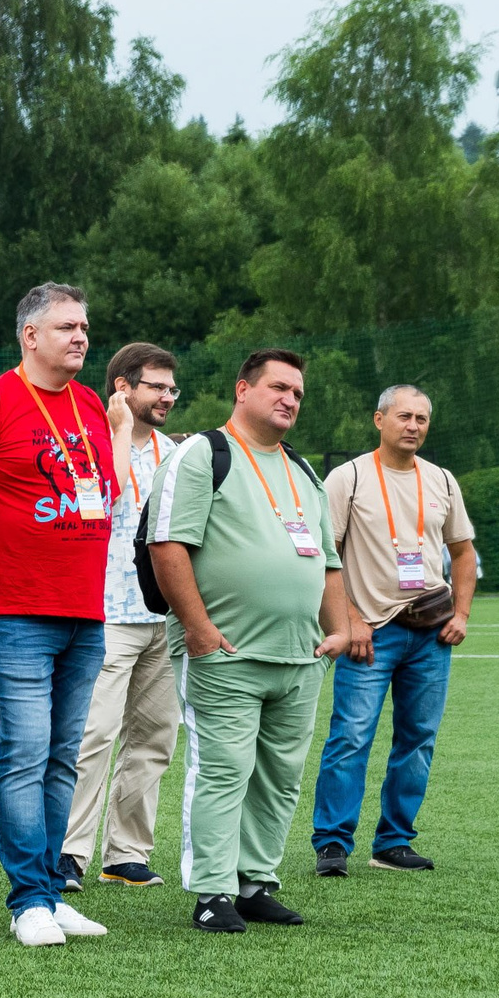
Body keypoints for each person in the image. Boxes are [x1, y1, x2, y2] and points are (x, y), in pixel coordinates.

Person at [0, 283, 120, 948]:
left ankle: (49, 888)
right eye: (67, 325)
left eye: (85, 326)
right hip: (14, 611)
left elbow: (104, 496)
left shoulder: (92, 404)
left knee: (64, 757)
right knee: (26, 753)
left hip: (84, 611)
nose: (81, 336)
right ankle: (28, 901)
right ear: (29, 335)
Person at [147, 350, 349, 932]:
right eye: (279, 387)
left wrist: (337, 628)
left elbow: (329, 562)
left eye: (298, 394)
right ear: (243, 389)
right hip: (224, 652)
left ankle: (255, 881)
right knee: (223, 769)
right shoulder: (203, 453)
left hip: (299, 654)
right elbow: (167, 544)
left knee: (280, 775)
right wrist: (199, 629)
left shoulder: (305, 470)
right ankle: (212, 892)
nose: (290, 399)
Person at [312, 385, 475, 876]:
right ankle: (333, 843)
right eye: (404, 416)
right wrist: (350, 620)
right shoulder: (350, 477)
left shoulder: (443, 480)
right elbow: (326, 553)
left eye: (422, 418)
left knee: (418, 738)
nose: (414, 426)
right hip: (371, 633)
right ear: (378, 420)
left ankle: (394, 843)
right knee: (351, 736)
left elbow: (463, 552)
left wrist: (462, 614)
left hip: (431, 631)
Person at [61, 343, 182, 889]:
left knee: (156, 737)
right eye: (156, 386)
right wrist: (113, 432)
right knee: (93, 737)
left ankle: (126, 852)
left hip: (164, 615)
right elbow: (100, 500)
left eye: (171, 389)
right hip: (106, 613)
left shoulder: (178, 453)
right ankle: (68, 853)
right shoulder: (85, 442)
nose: (167, 397)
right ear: (122, 388)